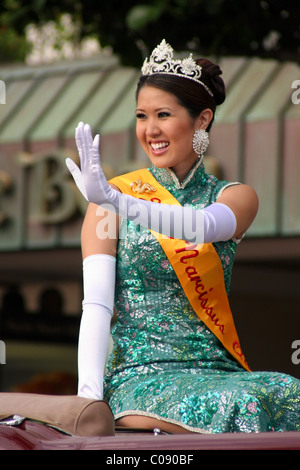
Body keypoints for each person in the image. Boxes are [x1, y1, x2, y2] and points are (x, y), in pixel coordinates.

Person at [66, 40, 300, 434]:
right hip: (140, 378)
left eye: (163, 115)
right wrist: (88, 403)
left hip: (218, 369)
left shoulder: (234, 197)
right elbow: (97, 306)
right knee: (239, 403)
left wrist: (118, 202)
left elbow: (200, 228)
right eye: (141, 115)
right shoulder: (110, 201)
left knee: (288, 390)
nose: (150, 129)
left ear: (202, 119)